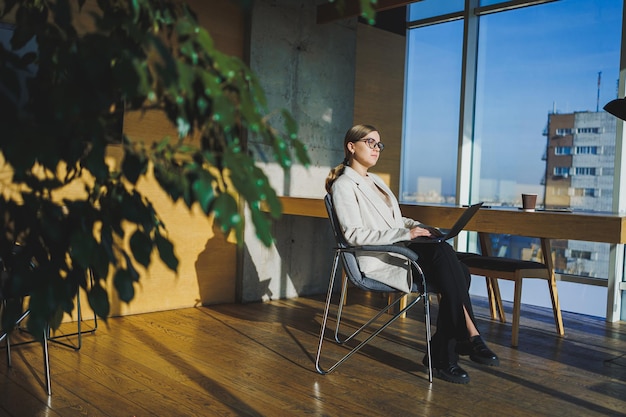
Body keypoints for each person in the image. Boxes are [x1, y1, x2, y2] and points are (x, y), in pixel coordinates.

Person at [325, 124, 499, 384]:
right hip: (379, 258)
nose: (376, 149)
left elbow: (395, 219)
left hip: (400, 250)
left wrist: (417, 227)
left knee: (456, 268)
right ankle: (461, 342)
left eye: (379, 145)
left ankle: (449, 352)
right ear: (351, 146)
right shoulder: (344, 186)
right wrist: (407, 236)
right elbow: (354, 235)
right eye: (370, 142)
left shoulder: (376, 182)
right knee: (453, 267)